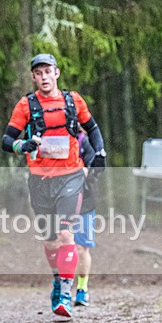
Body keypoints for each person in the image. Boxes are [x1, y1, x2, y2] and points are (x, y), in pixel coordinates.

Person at [1, 53, 106, 319]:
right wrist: (21, 145)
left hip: (71, 176)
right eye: (39, 73)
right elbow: (6, 140)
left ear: (57, 73)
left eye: (48, 71)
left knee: (66, 235)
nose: (44, 77)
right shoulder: (26, 105)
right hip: (39, 181)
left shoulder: (74, 101)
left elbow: (92, 129)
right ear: (34, 77)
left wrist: (101, 153)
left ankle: (65, 296)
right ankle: (58, 279)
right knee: (50, 241)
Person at [74, 132, 99, 307]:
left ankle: (82, 289)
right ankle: (62, 287)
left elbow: (95, 165)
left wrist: (82, 171)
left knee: (81, 248)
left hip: (84, 201)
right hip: (56, 201)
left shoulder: (84, 141)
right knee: (61, 246)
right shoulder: (48, 136)